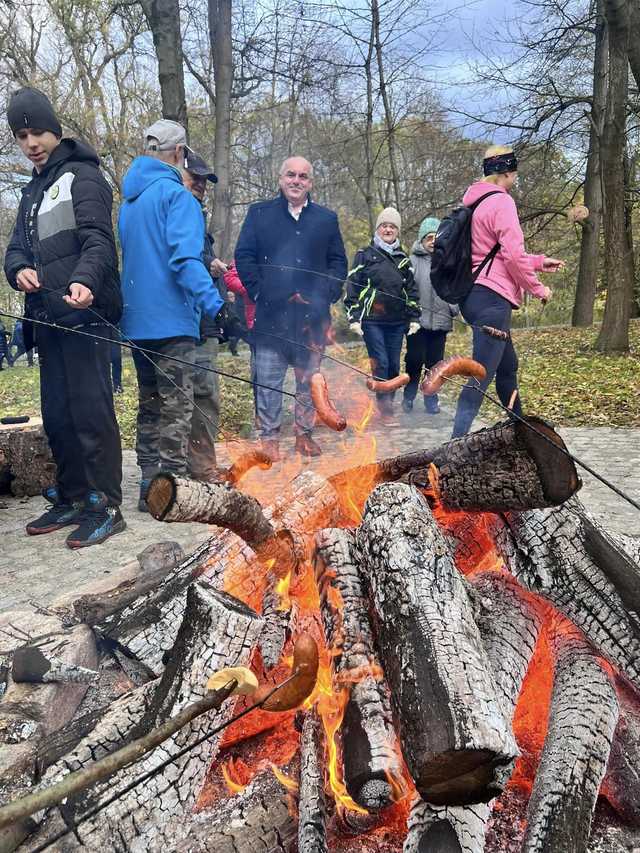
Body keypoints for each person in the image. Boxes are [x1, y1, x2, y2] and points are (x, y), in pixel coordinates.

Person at [3, 87, 125, 548]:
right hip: (48, 320)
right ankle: (73, 496)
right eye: (22, 134)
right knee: (59, 415)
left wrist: (85, 281)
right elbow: (16, 248)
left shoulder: (84, 177)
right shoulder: (31, 190)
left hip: (85, 315)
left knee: (92, 413)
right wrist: (19, 270)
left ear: (54, 130)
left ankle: (105, 505)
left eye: (37, 131)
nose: (32, 141)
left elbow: (98, 241)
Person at [118, 120, 223, 510]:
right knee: (178, 406)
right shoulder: (178, 198)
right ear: (179, 153)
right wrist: (216, 305)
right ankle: (173, 491)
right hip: (172, 322)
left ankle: (148, 484)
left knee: (149, 405)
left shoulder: (129, 203)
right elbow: (184, 261)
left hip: (137, 322)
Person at [235, 156, 347, 461]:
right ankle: (269, 438)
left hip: (312, 321)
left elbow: (339, 262)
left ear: (311, 182)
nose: (296, 181)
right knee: (268, 382)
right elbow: (244, 257)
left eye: (303, 176)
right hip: (271, 319)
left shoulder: (326, 219)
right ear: (280, 178)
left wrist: (326, 294)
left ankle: (304, 434)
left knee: (309, 382)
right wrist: (260, 292)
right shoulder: (259, 215)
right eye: (290, 175)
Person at [451, 145, 564, 438]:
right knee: (481, 374)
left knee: (507, 366)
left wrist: (538, 262)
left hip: (476, 295)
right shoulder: (501, 203)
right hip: (492, 298)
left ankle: (521, 430)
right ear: (507, 172)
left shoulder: (474, 201)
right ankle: (452, 445)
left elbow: (496, 254)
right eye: (514, 173)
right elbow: (512, 257)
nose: (515, 179)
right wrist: (538, 289)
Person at [345, 207, 421, 421]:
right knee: (381, 363)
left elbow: (412, 290)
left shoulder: (403, 259)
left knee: (395, 365)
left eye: (392, 226)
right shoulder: (364, 255)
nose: (388, 229)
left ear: (397, 231)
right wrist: (354, 315)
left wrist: (414, 316)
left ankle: (388, 400)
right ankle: (385, 408)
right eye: (384, 226)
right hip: (372, 321)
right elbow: (353, 285)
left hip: (397, 322)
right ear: (378, 229)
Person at [181, 146, 226, 483]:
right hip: (181, 322)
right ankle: (178, 470)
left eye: (204, 180)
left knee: (206, 395)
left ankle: (203, 466)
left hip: (204, 323)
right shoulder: (173, 211)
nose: (200, 183)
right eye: (193, 177)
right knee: (179, 399)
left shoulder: (197, 215)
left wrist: (210, 263)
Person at [402, 216, 458, 415]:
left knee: (435, 364)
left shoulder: (448, 261)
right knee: (414, 360)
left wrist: (453, 308)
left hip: (441, 321)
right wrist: (411, 314)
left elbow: (455, 288)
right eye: (429, 237)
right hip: (418, 322)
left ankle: (431, 398)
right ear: (422, 239)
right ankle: (408, 395)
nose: (433, 241)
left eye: (437, 236)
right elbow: (406, 289)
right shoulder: (412, 260)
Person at [110, 327, 123, 393]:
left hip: (114, 331)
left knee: (116, 361)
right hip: (99, 330)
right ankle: (108, 386)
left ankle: (117, 386)